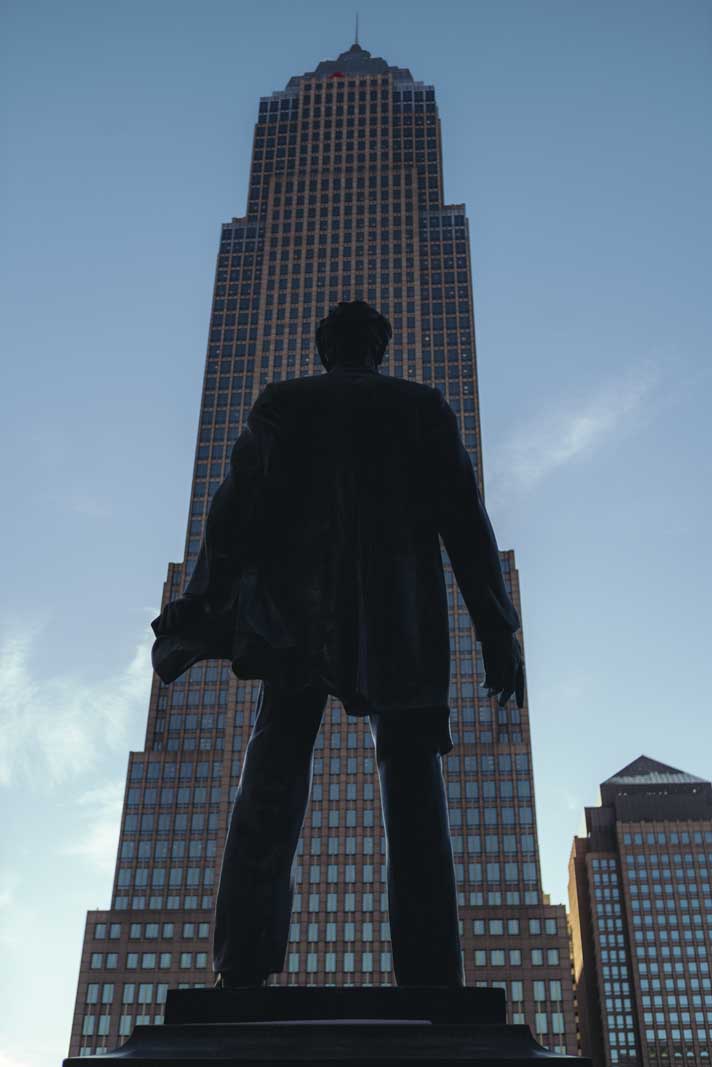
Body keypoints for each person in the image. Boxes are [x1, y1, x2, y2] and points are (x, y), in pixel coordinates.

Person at [152, 300, 524, 989]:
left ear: (325, 350)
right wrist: (496, 625)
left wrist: (202, 603)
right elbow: (467, 524)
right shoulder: (420, 406)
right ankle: (431, 971)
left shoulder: (284, 403)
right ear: (378, 349)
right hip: (400, 618)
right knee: (413, 784)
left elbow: (230, 512)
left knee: (273, 771)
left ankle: (242, 964)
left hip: (299, 617)